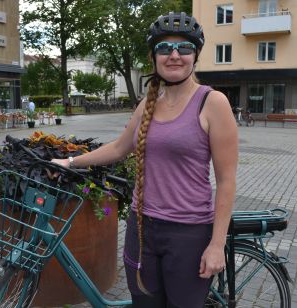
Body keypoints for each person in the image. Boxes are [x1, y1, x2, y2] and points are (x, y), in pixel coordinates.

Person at [52, 12, 237, 308]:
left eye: (184, 48)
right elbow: (117, 148)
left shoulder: (212, 102)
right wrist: (71, 162)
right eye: (164, 49)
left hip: (188, 233)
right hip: (142, 229)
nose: (174, 55)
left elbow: (227, 181)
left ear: (195, 55)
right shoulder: (147, 105)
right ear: (154, 58)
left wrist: (217, 244)